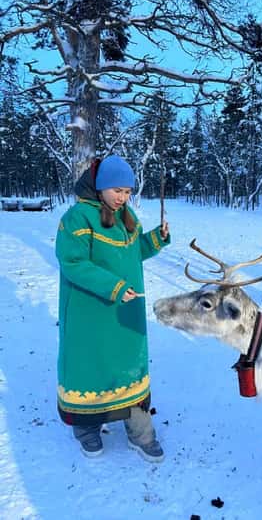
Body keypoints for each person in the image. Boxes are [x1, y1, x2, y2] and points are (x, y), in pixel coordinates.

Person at [55, 155, 170, 460]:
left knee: (130, 369)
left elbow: (132, 254)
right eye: (117, 190)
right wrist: (115, 287)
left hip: (126, 310)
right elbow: (74, 264)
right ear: (102, 186)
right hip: (90, 313)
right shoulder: (77, 218)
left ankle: (140, 433)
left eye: (128, 191)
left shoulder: (126, 216)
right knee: (90, 368)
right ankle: (87, 428)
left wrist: (156, 240)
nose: (123, 197)